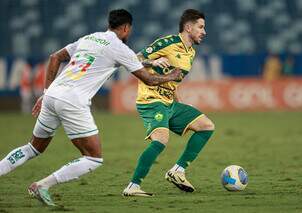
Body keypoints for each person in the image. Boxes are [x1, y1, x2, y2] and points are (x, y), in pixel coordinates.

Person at [0, 9, 182, 206]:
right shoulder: (119, 48)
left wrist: (45, 92)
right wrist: (172, 76)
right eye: (129, 30)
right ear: (126, 28)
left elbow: (54, 58)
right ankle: (43, 185)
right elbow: (148, 79)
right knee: (93, 158)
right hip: (73, 101)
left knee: (33, 148)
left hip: (52, 95)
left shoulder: (90, 38)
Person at [123, 9, 215, 197]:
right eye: (201, 27)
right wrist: (153, 62)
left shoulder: (191, 53)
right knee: (162, 140)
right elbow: (133, 59)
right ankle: (133, 186)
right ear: (188, 27)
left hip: (169, 103)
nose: (204, 32)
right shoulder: (168, 43)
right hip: (151, 101)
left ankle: (178, 171)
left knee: (206, 126)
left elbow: (172, 82)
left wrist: (180, 104)